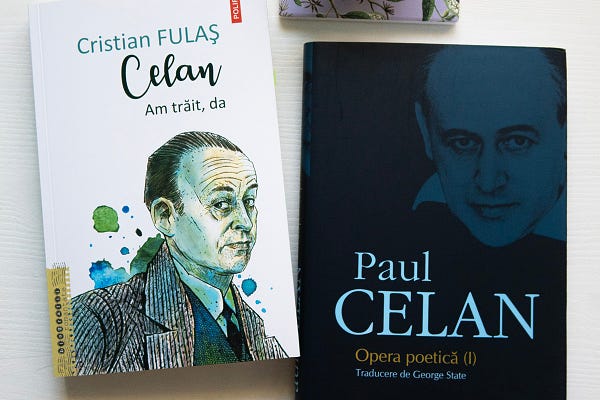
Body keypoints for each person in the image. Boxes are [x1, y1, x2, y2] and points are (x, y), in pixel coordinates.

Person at [72, 131, 286, 375]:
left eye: (249, 201)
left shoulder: (256, 329)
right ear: (165, 216)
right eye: (221, 204)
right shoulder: (100, 322)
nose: (245, 222)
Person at [413, 46, 566, 247]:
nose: (488, 183)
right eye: (463, 142)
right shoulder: (423, 213)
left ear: (565, 132)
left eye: (518, 141)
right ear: (426, 131)